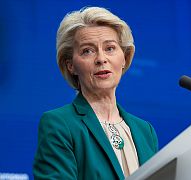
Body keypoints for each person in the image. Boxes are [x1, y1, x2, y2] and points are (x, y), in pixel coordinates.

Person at [33, 6, 158, 180]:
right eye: (87, 51)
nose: (101, 59)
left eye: (110, 48)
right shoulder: (59, 124)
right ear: (71, 65)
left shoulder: (145, 131)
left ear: (124, 57)